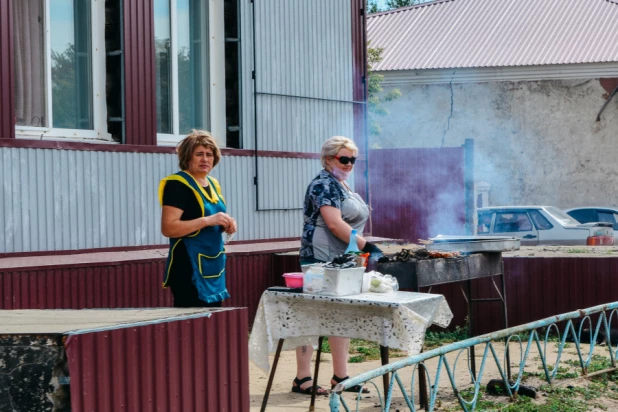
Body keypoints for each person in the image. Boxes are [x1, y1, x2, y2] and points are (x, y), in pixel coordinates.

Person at [293, 136, 382, 395]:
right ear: (328, 159)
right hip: (318, 261)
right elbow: (333, 224)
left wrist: (360, 250)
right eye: (344, 159)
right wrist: (367, 246)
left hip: (342, 262)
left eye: (353, 160)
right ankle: (302, 378)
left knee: (341, 316)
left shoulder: (342, 185)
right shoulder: (323, 185)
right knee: (311, 317)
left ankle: (340, 377)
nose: (349, 164)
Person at [159, 130, 237, 307]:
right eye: (199, 154)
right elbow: (168, 228)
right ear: (187, 157)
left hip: (213, 264)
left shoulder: (213, 184)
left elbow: (213, 217)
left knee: (214, 324)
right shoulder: (177, 184)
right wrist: (208, 220)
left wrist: (227, 223)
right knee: (193, 327)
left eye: (209, 155)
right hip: (188, 266)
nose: (205, 159)